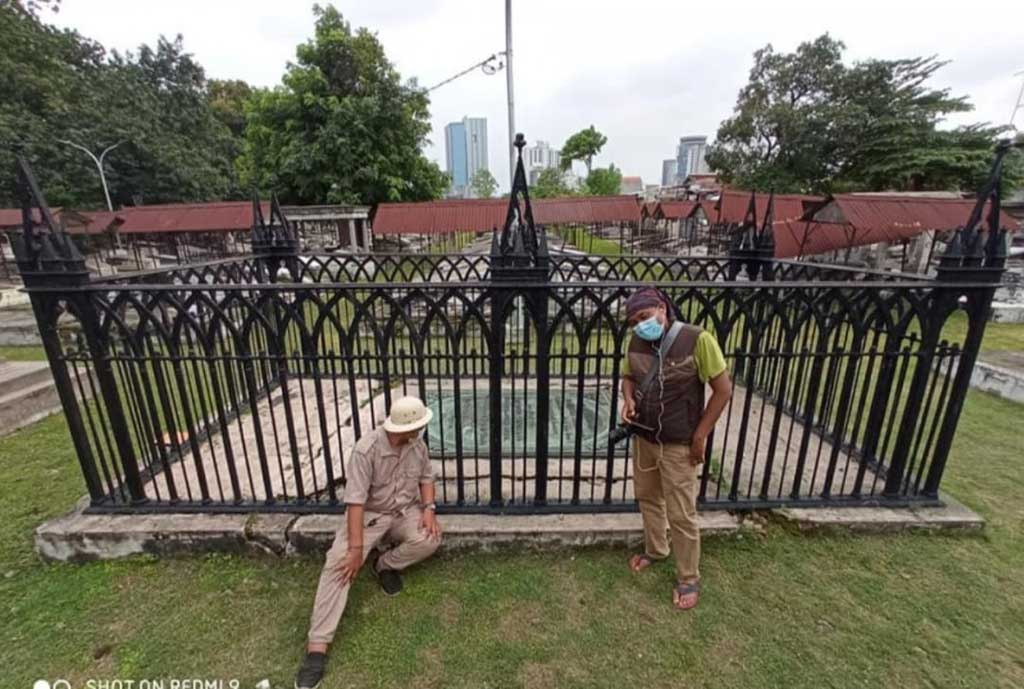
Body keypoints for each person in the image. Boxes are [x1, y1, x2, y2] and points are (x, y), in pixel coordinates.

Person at [294, 396, 442, 689]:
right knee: (340, 565)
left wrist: (429, 510)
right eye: (420, 423)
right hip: (370, 515)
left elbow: (426, 477)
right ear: (407, 427)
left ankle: (384, 564)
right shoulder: (367, 450)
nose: (424, 428)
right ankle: (317, 649)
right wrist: (355, 550)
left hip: (404, 511)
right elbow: (356, 503)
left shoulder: (417, 445)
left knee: (429, 539)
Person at [620, 287, 732, 611]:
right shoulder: (637, 341)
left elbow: (723, 390)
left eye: (644, 317)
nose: (640, 325)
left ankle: (688, 577)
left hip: (679, 442)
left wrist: (700, 436)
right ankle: (657, 549)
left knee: (682, 512)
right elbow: (629, 376)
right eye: (633, 321)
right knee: (648, 497)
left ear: (662, 308)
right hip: (645, 438)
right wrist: (628, 399)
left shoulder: (698, 339)